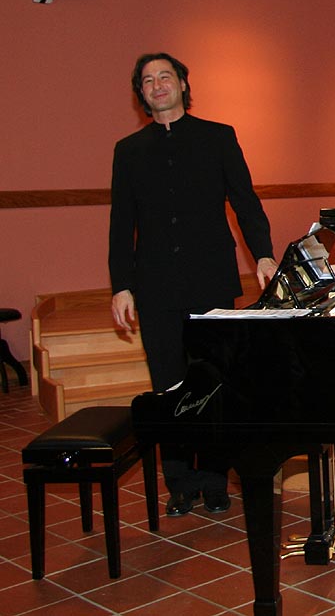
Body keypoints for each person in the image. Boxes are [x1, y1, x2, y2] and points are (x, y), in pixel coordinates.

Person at [109, 52, 278, 517]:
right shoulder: (129, 150)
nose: (158, 85)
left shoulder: (218, 137)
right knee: (168, 385)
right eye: (148, 80)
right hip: (155, 285)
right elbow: (121, 223)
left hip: (210, 279)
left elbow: (245, 201)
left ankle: (215, 479)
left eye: (165, 76)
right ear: (142, 94)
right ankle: (180, 482)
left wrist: (263, 254)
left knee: (213, 383)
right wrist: (121, 285)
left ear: (183, 84)